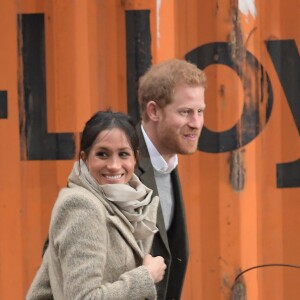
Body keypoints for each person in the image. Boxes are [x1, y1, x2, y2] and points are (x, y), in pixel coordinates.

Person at [26, 111, 166, 300]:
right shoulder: (81, 206)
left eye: (123, 154)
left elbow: (47, 286)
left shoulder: (130, 206)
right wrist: (146, 277)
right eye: (102, 154)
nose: (114, 165)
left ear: (135, 158)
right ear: (84, 158)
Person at [135, 58, 207, 299]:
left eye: (200, 111)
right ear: (153, 111)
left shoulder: (167, 163)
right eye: (185, 112)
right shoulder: (117, 167)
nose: (196, 123)